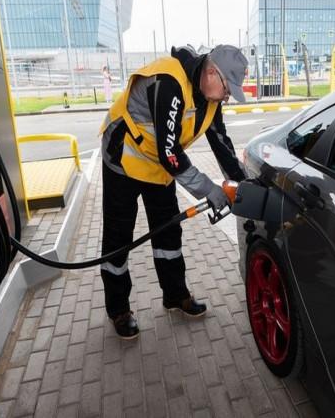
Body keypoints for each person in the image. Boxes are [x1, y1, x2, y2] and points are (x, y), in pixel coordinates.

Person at [97, 44, 248, 339]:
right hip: (124, 157)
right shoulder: (169, 82)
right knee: (119, 236)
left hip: (157, 164)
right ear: (212, 73)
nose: (227, 97)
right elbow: (170, 153)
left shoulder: (210, 99)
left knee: (167, 231)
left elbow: (222, 145)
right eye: (228, 89)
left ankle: (175, 295)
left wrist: (244, 185)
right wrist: (208, 189)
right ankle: (118, 308)